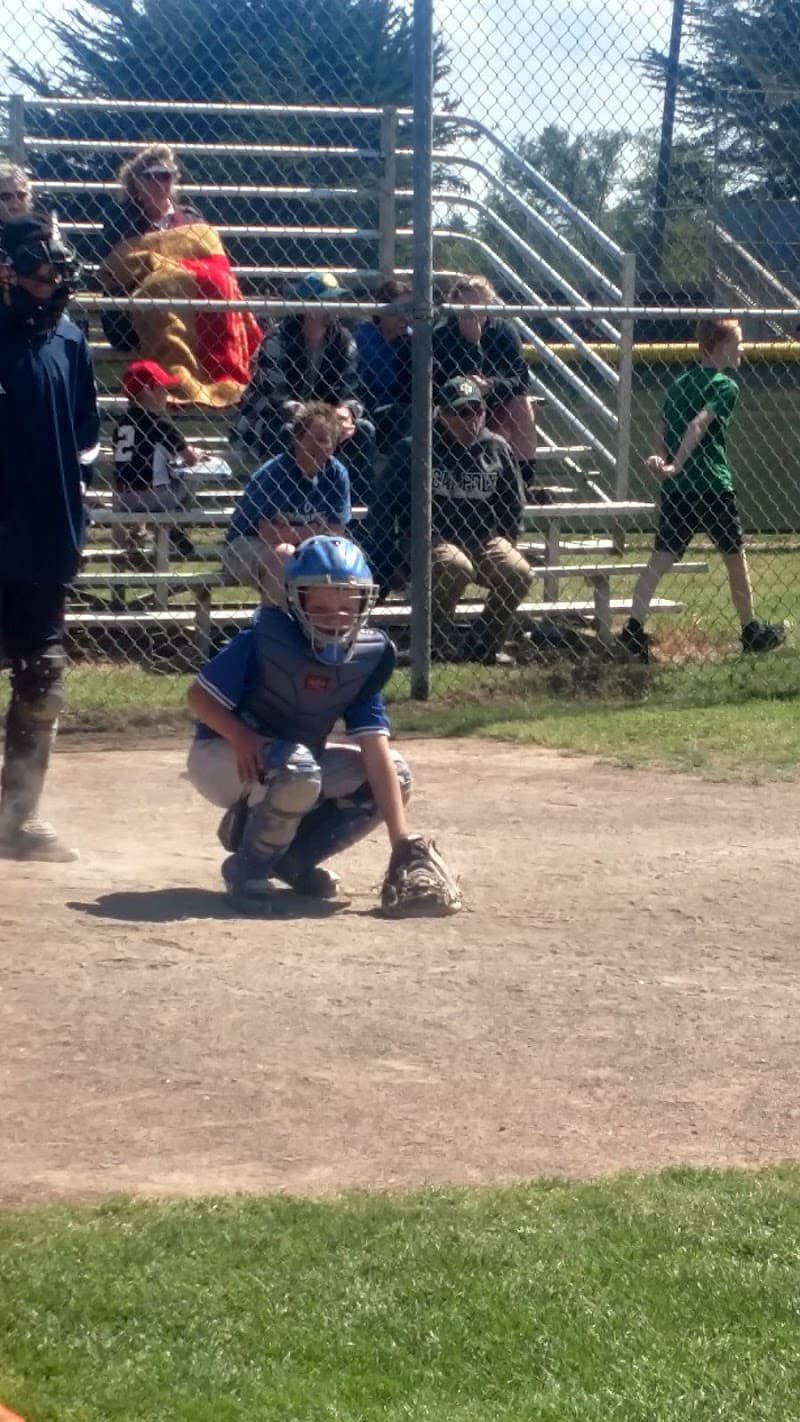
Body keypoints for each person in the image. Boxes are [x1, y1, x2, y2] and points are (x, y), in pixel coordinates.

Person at [185, 534, 412, 908]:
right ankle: (248, 868)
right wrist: (240, 736)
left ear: (364, 601)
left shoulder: (362, 659)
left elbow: (375, 751)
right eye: (320, 607)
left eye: (347, 606)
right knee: (296, 768)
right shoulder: (265, 640)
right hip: (223, 753)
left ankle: (293, 861)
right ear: (295, 600)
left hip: (294, 761)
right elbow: (198, 697)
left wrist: (401, 842)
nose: (335, 618)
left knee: (395, 774)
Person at [0, 213, 100, 861]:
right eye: (40, 276)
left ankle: (17, 818)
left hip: (45, 534)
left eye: (59, 276)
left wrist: (70, 506)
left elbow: (86, 435)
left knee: (44, 677)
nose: (52, 288)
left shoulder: (70, 338)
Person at [620, 317, 785, 662]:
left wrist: (660, 459)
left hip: (678, 490)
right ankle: (750, 629)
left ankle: (632, 628)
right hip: (711, 485)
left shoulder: (678, 384)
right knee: (735, 557)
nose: (741, 350)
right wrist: (677, 463)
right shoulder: (725, 385)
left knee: (660, 558)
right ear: (720, 346)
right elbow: (698, 424)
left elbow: (663, 430)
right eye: (737, 343)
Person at [366, 377, 530, 664]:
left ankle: (482, 646)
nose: (472, 419)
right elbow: (383, 507)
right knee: (457, 567)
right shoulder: (415, 448)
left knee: (519, 573)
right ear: (442, 415)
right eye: (462, 412)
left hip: (482, 538)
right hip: (429, 539)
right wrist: (392, 560)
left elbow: (512, 504)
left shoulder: (496, 447)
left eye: (477, 410)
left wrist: (506, 539)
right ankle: (432, 644)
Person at [98, 143, 260, 406]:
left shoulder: (190, 217)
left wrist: (178, 268)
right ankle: (178, 380)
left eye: (165, 176)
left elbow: (212, 259)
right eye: (150, 176)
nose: (158, 183)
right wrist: (165, 266)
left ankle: (218, 378)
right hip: (137, 305)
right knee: (162, 288)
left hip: (195, 297)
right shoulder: (120, 218)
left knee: (222, 282)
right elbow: (119, 266)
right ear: (136, 182)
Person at [230, 270, 375, 502]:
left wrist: (347, 412)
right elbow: (276, 397)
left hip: (324, 421)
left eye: (336, 300)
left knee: (364, 430)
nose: (333, 308)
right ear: (305, 305)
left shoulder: (343, 340)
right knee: (287, 433)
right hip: (270, 418)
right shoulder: (278, 339)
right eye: (326, 301)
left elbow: (353, 390)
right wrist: (318, 419)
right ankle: (283, 505)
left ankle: (353, 508)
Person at [223, 402, 351, 604]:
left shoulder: (336, 474)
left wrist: (293, 533)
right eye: (311, 439)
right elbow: (269, 535)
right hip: (245, 545)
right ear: (297, 439)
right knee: (284, 555)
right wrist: (316, 530)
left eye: (324, 440)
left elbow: (336, 532)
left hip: (303, 548)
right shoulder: (274, 473)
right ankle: (276, 621)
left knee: (348, 557)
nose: (317, 446)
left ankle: (329, 622)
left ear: (334, 445)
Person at [432, 274, 539, 494]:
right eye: (464, 307)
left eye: (477, 306)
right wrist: (472, 343)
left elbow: (520, 379)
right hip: (455, 410)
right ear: (453, 304)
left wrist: (490, 386)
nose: (471, 313)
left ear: (488, 304)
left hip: (492, 404)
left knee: (521, 403)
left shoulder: (503, 330)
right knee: (468, 411)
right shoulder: (441, 333)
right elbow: (448, 385)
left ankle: (525, 483)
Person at [111, 359, 202, 560]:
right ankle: (174, 528)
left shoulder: (121, 423)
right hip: (155, 496)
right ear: (147, 391)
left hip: (124, 498)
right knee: (192, 478)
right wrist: (197, 454)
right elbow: (190, 459)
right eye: (162, 388)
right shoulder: (160, 424)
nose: (167, 394)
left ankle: (139, 533)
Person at [353, 277, 413, 454]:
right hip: (363, 409)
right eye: (397, 310)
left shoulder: (412, 341)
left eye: (408, 310)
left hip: (396, 413)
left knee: (408, 413)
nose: (405, 317)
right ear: (380, 311)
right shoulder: (360, 336)